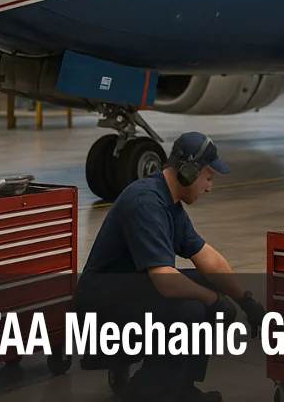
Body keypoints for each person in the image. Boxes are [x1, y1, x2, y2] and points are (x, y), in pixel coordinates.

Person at [74, 132, 266, 402]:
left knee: (205, 283)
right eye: (208, 178)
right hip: (101, 314)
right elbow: (165, 280)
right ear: (188, 172)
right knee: (190, 309)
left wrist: (246, 301)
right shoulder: (146, 203)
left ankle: (180, 387)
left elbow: (207, 258)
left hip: (126, 296)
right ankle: (146, 394)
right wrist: (213, 301)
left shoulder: (170, 205)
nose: (210, 187)